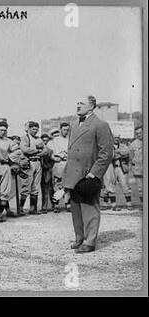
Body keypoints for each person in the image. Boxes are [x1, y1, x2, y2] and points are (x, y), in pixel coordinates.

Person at [63, 95, 114, 254]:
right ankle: (80, 237)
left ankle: (90, 241)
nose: (78, 105)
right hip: (73, 173)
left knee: (89, 207)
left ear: (91, 106)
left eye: (81, 103)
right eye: (77, 102)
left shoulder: (100, 125)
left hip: (88, 174)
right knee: (76, 208)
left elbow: (106, 152)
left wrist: (95, 173)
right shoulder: (73, 123)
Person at [19, 121, 49, 215]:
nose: (35, 131)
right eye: (33, 129)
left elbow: (45, 151)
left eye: (36, 129)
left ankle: (33, 209)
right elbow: (24, 149)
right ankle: (20, 208)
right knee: (26, 186)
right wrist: (36, 150)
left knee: (35, 186)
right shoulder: (24, 138)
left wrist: (38, 152)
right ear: (29, 129)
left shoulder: (39, 139)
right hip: (29, 162)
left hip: (38, 162)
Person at [102, 136, 132, 211]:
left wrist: (118, 153)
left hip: (120, 167)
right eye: (114, 137)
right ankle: (108, 205)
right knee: (108, 185)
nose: (116, 139)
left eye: (118, 137)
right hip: (110, 166)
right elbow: (110, 156)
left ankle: (129, 204)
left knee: (124, 184)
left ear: (120, 138)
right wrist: (118, 153)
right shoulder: (108, 145)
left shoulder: (123, 146)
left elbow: (127, 153)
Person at [47, 122, 70, 213]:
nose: (66, 132)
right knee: (57, 184)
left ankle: (67, 204)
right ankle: (56, 205)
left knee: (68, 184)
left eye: (67, 130)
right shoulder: (54, 140)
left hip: (68, 163)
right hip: (59, 163)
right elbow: (49, 153)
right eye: (64, 130)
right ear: (60, 129)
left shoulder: (70, 140)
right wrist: (54, 157)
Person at [40, 133, 55, 213]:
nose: (45, 142)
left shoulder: (50, 151)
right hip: (40, 171)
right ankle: (43, 205)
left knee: (49, 188)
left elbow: (52, 161)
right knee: (42, 189)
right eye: (43, 141)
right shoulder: (38, 150)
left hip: (47, 171)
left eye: (46, 141)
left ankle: (50, 205)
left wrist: (47, 167)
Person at [129, 126, 143, 207]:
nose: (139, 135)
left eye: (140, 133)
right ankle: (143, 204)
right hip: (138, 169)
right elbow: (131, 158)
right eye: (137, 133)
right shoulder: (133, 144)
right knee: (141, 188)